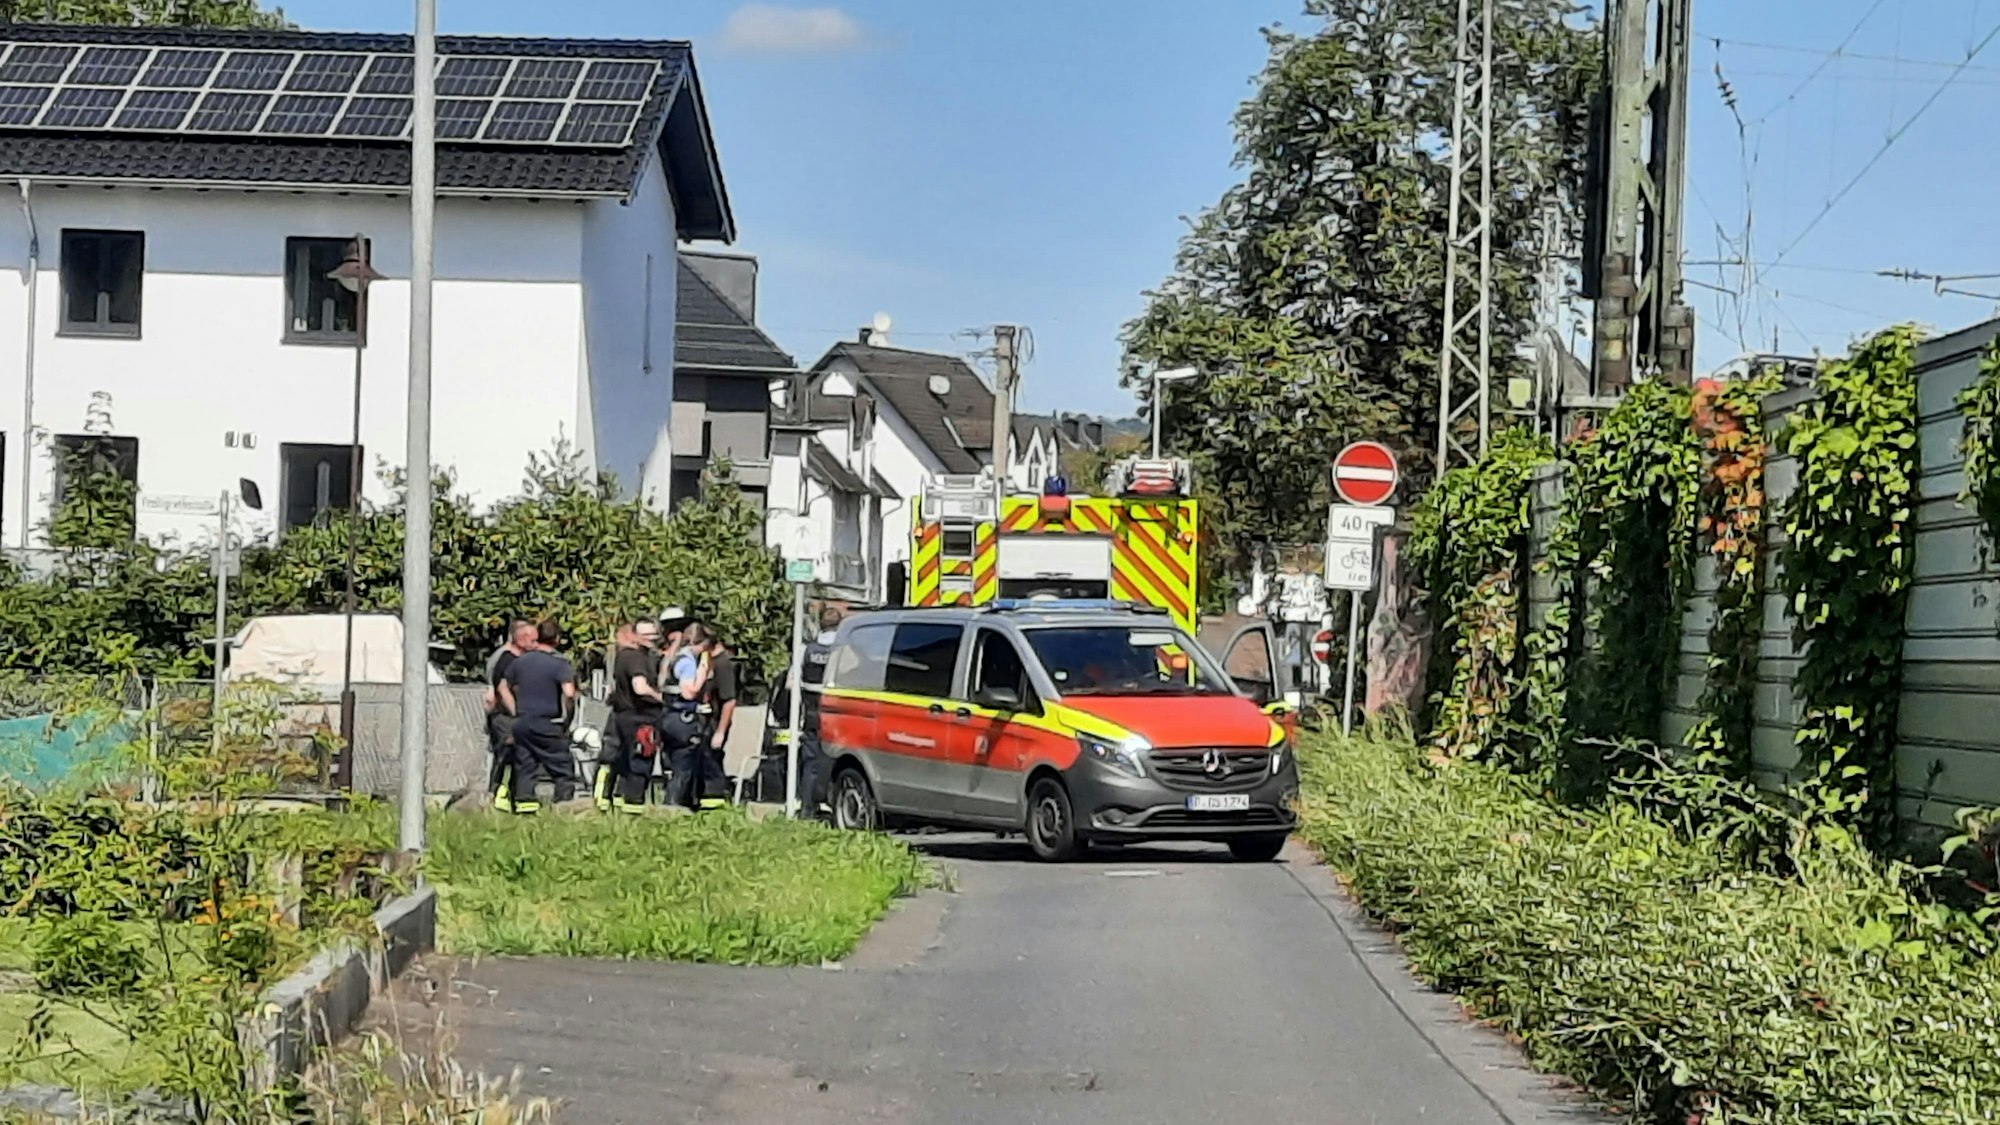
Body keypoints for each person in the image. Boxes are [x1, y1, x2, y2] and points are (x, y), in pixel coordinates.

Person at [498, 619, 579, 813]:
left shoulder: (520, 662)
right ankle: (562, 809)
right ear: (557, 639)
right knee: (563, 769)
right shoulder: (559, 664)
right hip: (548, 723)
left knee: (526, 766)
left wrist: (515, 710)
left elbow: (502, 687)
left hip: (523, 723)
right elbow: (569, 693)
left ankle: (525, 809)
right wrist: (568, 717)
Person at [772, 605, 842, 816]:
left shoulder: (806, 650)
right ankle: (830, 803)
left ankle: (807, 808)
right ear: (839, 626)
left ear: (821, 624)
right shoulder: (843, 650)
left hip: (811, 713)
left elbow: (791, 683)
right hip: (837, 715)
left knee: (810, 761)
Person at [600, 617, 667, 813]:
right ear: (635, 636)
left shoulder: (621, 656)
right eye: (647, 635)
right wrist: (661, 697)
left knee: (622, 761)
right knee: (640, 762)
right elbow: (640, 688)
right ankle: (633, 807)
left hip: (623, 716)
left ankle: (614, 799)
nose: (652, 639)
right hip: (641, 717)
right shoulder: (636, 658)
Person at [483, 620, 535, 813]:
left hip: (511, 716)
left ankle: (509, 797)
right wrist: (516, 713)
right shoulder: (507, 660)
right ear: (521, 639)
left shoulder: (519, 660)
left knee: (516, 759)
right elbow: (502, 689)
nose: (535, 644)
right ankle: (496, 796)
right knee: (506, 756)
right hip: (505, 718)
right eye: (532, 640)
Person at [664, 623, 716, 810]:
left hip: (669, 716)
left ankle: (672, 803)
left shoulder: (673, 658)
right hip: (682, 719)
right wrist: (702, 671)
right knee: (683, 767)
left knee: (674, 765)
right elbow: (689, 692)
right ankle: (673, 806)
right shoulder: (687, 662)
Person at [701, 635, 742, 810]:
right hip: (706, 721)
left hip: (715, 723)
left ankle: (714, 802)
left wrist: (720, 731)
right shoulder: (709, 660)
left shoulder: (723, 664)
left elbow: (729, 701)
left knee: (711, 761)